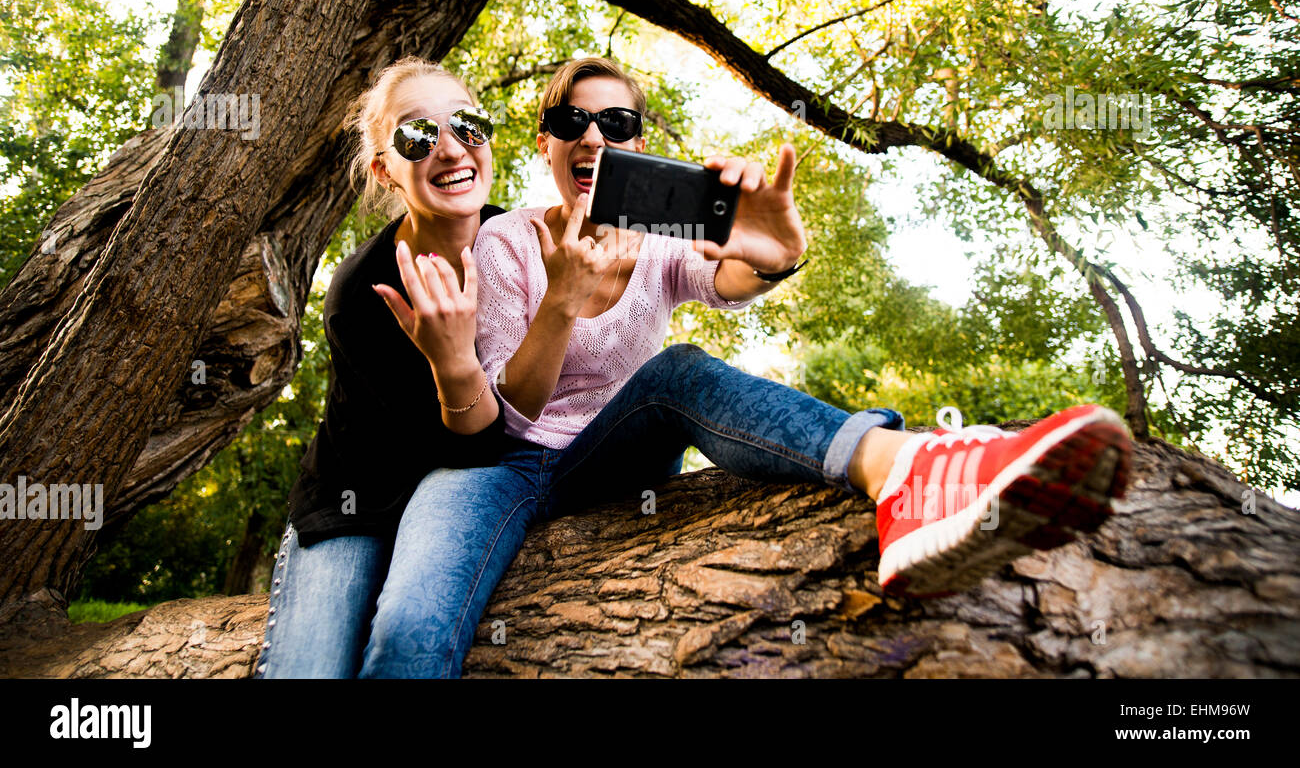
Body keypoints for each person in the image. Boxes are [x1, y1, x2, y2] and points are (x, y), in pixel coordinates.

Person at [368, 56, 1133, 678]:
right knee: (408, 630)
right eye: (572, 122)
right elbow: (513, 411)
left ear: (639, 142)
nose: (594, 136)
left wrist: (773, 257)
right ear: (545, 144)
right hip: (501, 464)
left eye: (617, 122)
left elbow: (728, 282)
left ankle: (909, 473)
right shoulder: (505, 242)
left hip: (612, 457)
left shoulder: (662, 239)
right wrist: (560, 303)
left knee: (682, 368)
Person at [255, 56, 509, 678]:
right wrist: (451, 361)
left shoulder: (522, 247)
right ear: (384, 169)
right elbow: (466, 448)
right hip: (356, 505)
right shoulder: (362, 291)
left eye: (467, 125)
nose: (451, 150)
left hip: (450, 491)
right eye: (417, 136)